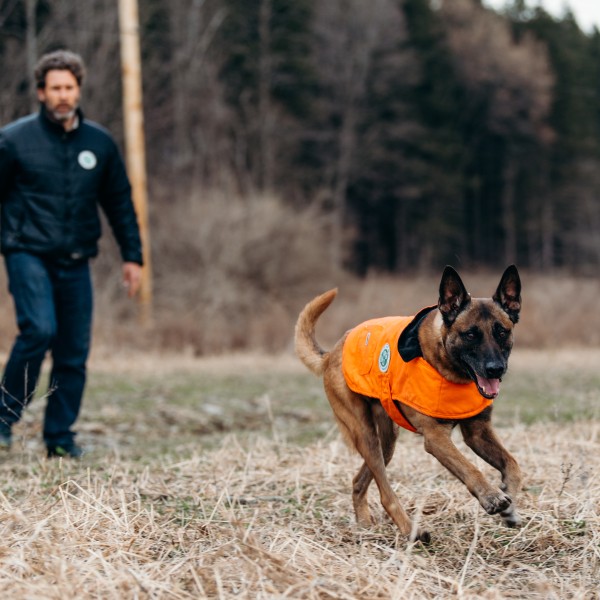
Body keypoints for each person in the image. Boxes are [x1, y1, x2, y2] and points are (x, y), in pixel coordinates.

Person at [0, 49, 143, 458]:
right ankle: (3, 418)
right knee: (39, 330)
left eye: (69, 87)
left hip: (77, 258)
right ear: (41, 93)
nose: (63, 95)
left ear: (78, 90)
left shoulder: (98, 143)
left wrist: (133, 257)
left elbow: (119, 202)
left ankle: (59, 437)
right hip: (26, 252)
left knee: (74, 352)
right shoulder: (13, 140)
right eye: (55, 88)